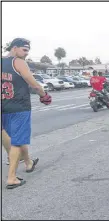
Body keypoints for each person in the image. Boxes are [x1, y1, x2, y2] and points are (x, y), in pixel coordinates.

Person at [2, 38, 52, 189]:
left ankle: (29, 163)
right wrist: (44, 95)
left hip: (3, 106)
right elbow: (33, 82)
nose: (26, 54)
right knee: (17, 142)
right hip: (19, 107)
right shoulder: (17, 62)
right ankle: (12, 178)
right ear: (15, 48)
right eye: (24, 50)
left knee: (18, 137)